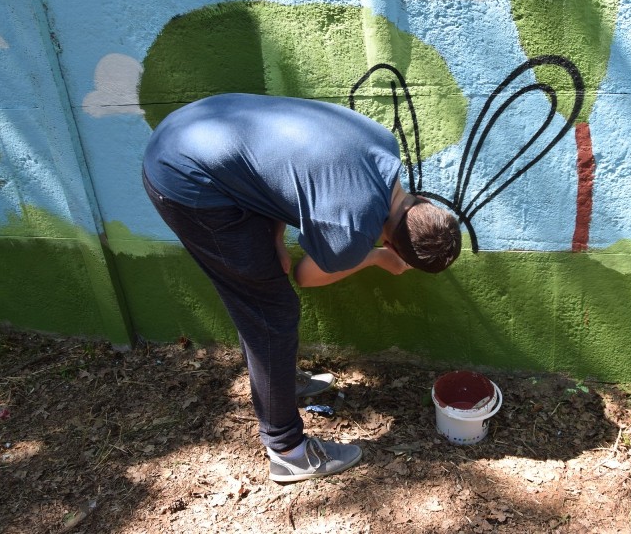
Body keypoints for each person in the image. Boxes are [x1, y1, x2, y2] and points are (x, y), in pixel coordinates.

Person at [141, 93, 462, 483]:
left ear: (424, 201)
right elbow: (305, 276)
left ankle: (280, 381)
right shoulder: (352, 225)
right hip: (186, 177)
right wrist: (377, 258)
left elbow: (279, 172)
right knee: (271, 312)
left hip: (196, 128)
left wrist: (274, 238)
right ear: (394, 246)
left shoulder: (384, 145)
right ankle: (287, 451)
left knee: (265, 295)